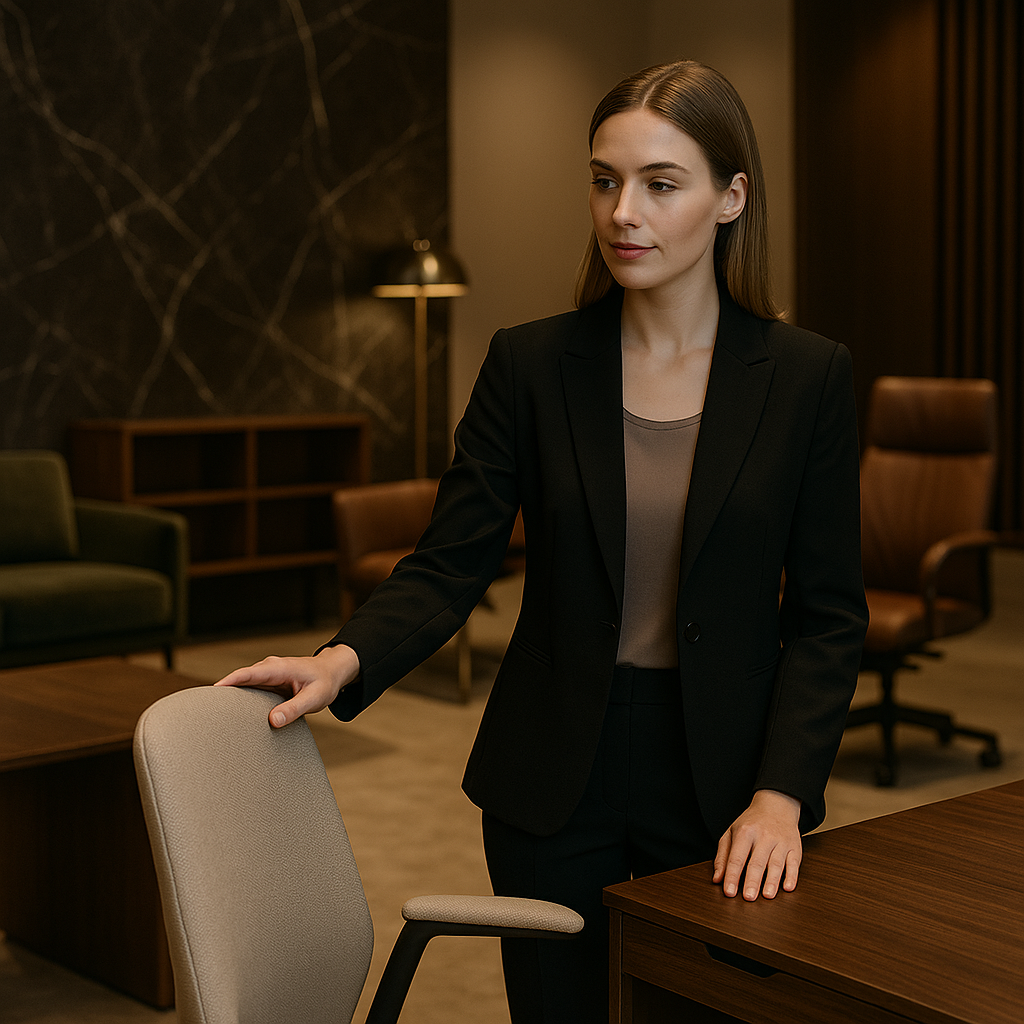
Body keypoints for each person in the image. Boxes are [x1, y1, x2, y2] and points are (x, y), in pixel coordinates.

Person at [217, 60, 868, 1023]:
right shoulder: (527, 364)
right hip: (554, 768)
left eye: (660, 183)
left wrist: (782, 793)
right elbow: (450, 565)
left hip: (726, 780)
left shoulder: (809, 377)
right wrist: (342, 661)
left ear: (732, 197)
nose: (623, 213)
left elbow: (827, 617)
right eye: (604, 180)